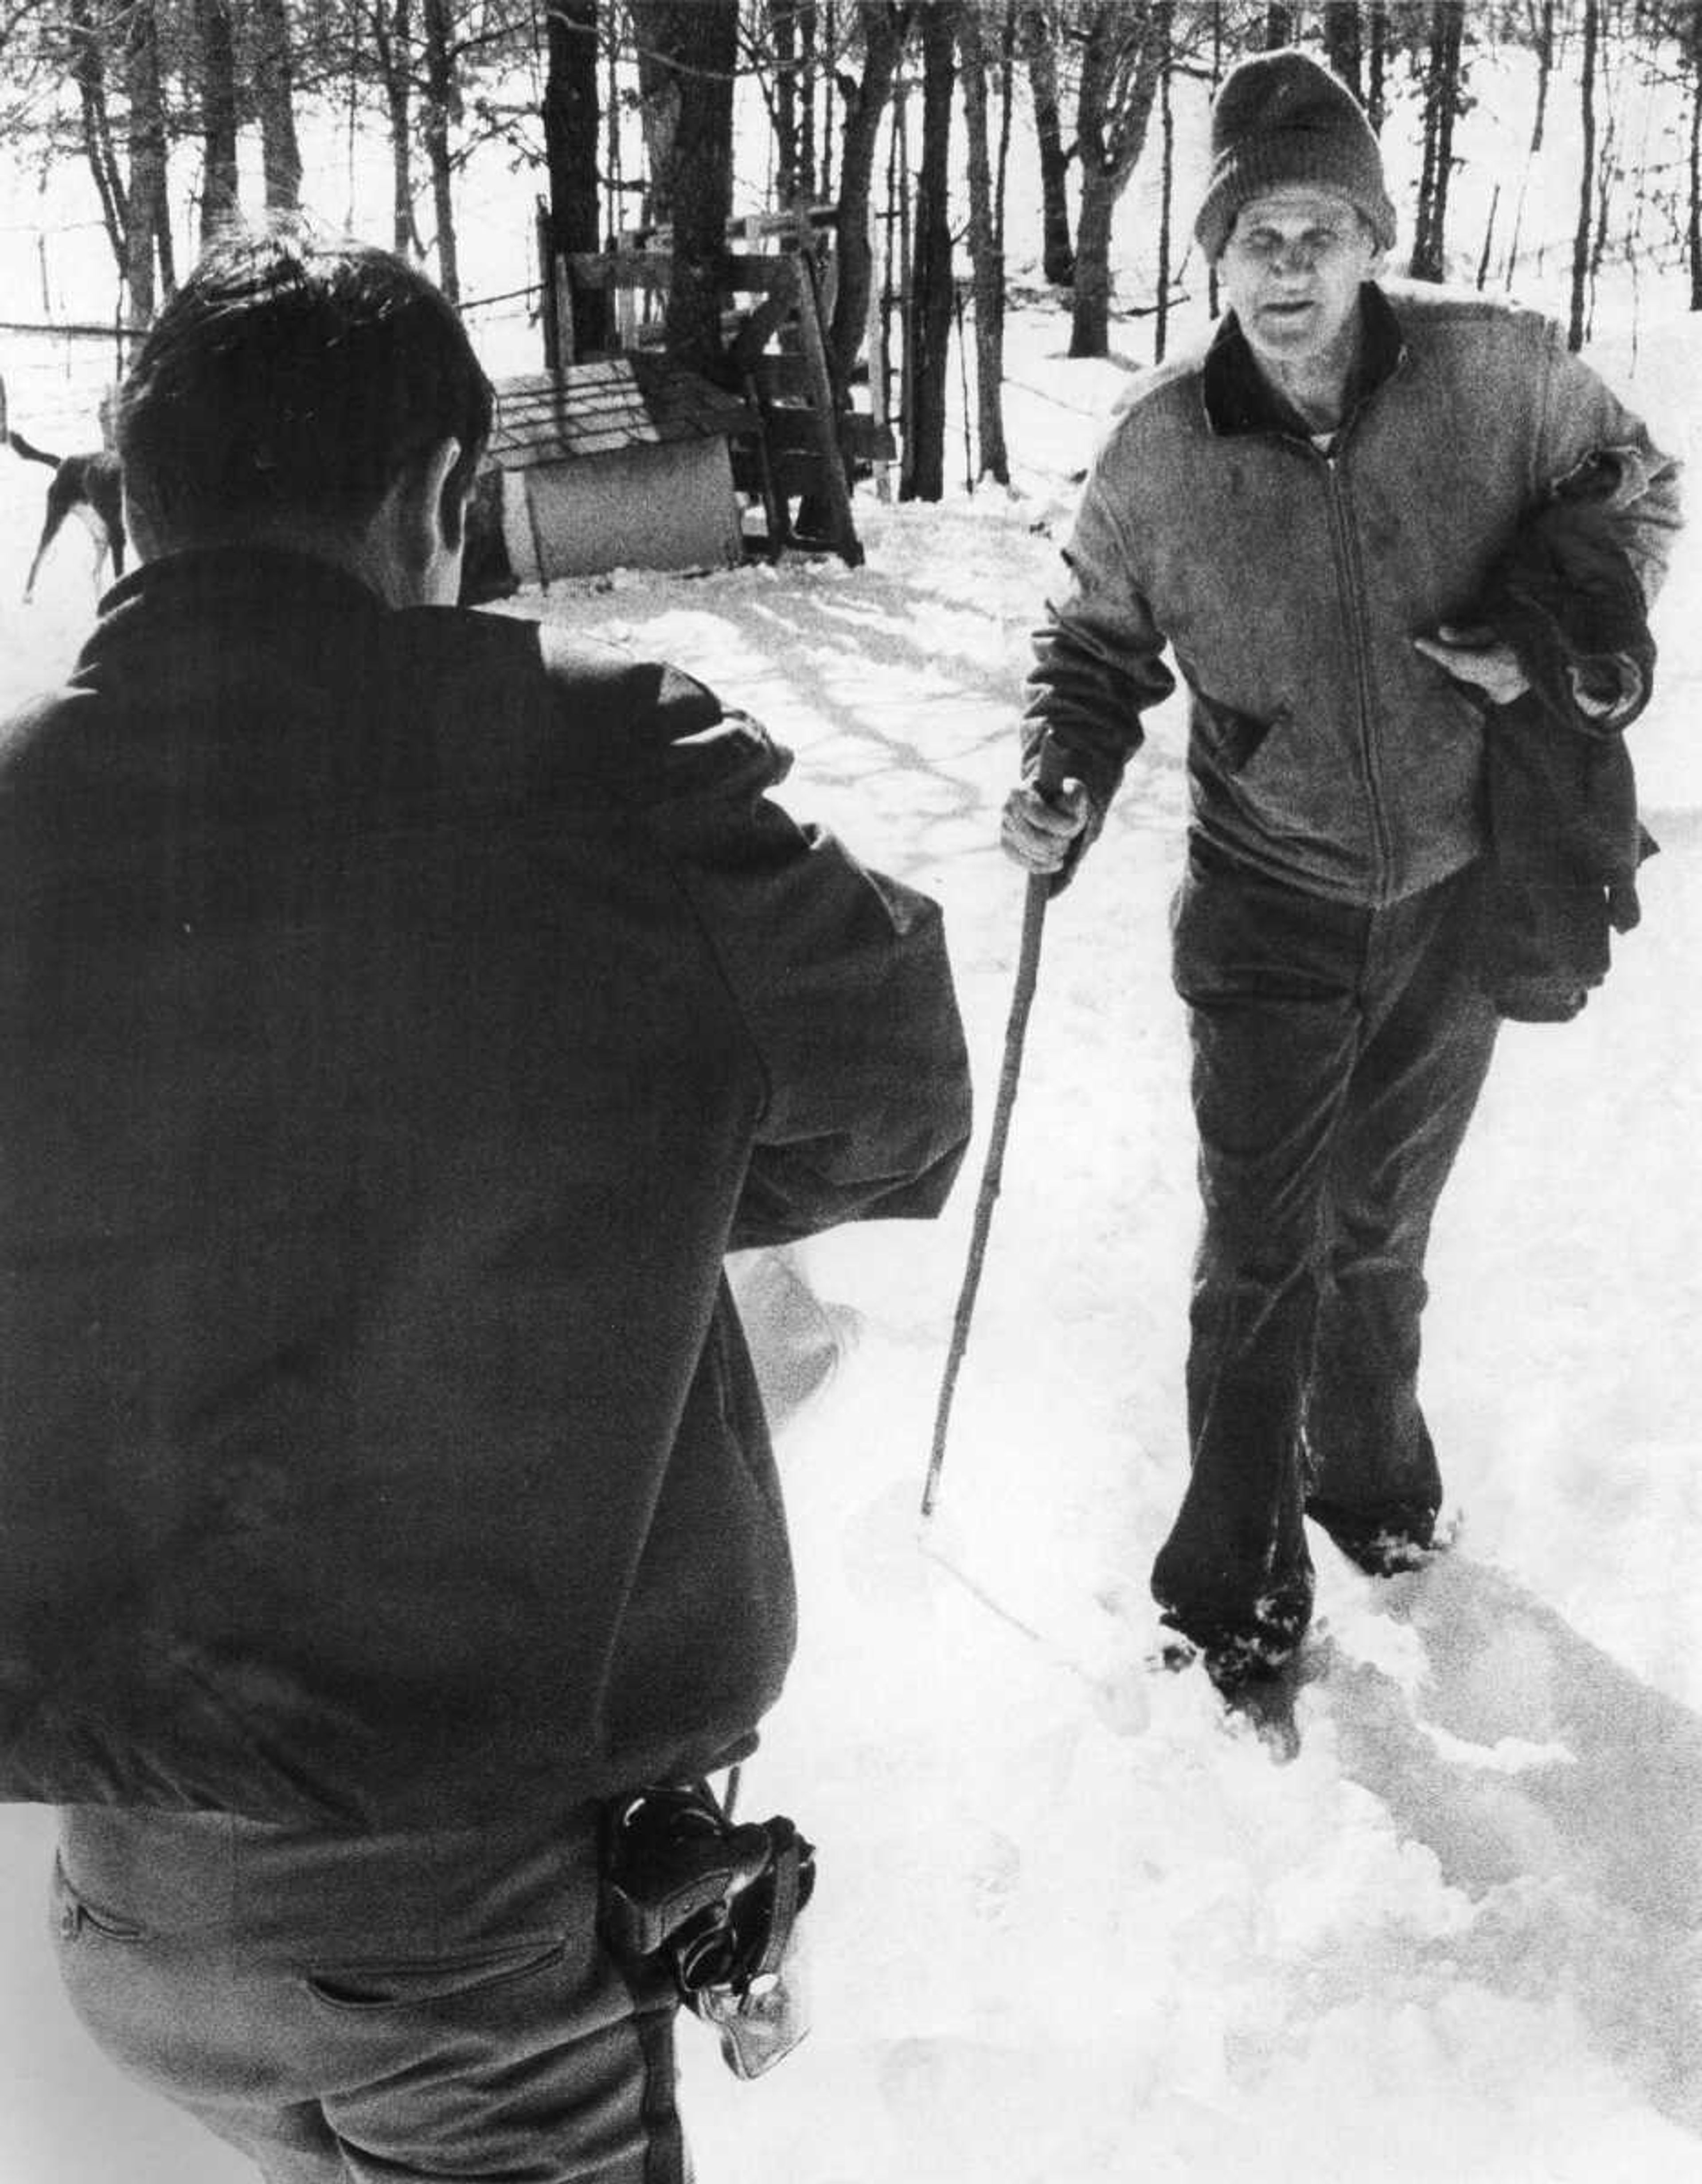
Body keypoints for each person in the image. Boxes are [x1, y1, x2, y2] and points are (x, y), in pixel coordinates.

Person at [0, 230, 971, 2181]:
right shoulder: (602, 764)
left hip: (119, 1919)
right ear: (442, 496)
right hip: (480, 1927)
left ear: (142, 490)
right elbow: (896, 1111)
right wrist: (618, 1154)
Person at [1002, 48, 1681, 1696]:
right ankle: (1230, 1583)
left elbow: (1634, 487)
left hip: (1457, 885)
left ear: (1373, 242)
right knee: (1261, 1247)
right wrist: (1062, 773)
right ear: (1215, 257)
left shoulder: (1496, 373)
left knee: (1382, 1225)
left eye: (1322, 229)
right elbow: (1092, 644)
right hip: (1267, 894)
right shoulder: (1161, 451)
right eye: (1257, 236)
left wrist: (1550, 636)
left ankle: (1370, 1481)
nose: (1289, 268)